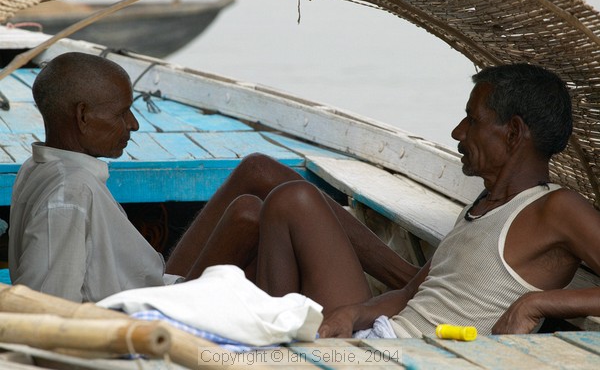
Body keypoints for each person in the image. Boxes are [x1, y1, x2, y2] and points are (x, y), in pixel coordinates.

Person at [8, 52, 417, 303]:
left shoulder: (45, 168)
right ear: (82, 116)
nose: (133, 125)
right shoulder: (68, 193)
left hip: (156, 283)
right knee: (262, 217)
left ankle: (409, 281)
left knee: (252, 189)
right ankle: (399, 292)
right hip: (151, 312)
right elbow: (51, 308)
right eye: (121, 113)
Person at [252, 63, 600, 338]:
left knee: (292, 198)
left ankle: (270, 348)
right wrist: (353, 313)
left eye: (472, 120)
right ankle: (273, 346)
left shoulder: (556, 208)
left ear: (512, 133)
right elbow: (407, 297)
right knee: (266, 207)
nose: (458, 133)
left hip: (415, 355)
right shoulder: (479, 208)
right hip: (384, 336)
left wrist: (536, 304)